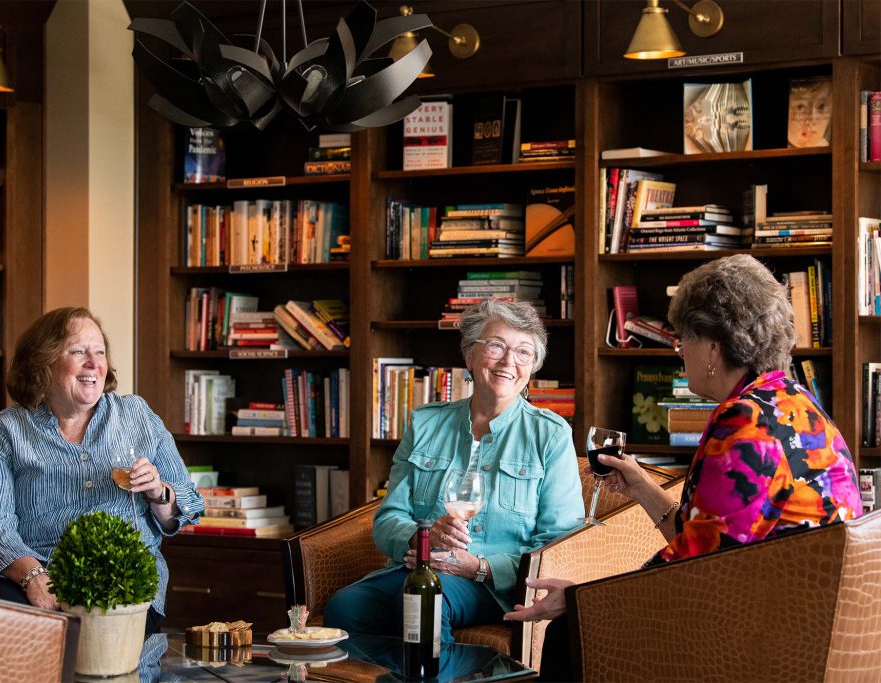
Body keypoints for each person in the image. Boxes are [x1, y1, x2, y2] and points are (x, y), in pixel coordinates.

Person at [505, 255, 862, 677]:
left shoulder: (742, 424)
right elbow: (710, 541)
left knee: (571, 632)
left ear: (712, 345)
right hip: (805, 624)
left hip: (759, 638)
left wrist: (583, 597)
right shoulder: (792, 402)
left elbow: (692, 572)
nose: (678, 353)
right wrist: (640, 485)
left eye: (682, 340)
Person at [324, 299, 583, 645]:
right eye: (496, 346)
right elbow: (389, 518)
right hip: (419, 571)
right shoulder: (426, 423)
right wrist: (421, 539)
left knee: (425, 602)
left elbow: (558, 541)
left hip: (493, 587)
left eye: (524, 353)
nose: (509, 362)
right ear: (469, 354)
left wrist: (480, 567)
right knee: (345, 608)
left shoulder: (549, 435)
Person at [0, 307, 203, 636]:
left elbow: (189, 502)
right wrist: (34, 577)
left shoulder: (136, 415)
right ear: (43, 363)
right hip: (31, 574)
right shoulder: (6, 431)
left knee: (96, 635)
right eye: (78, 351)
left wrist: (158, 492)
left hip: (121, 579)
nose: (95, 363)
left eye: (100, 351)